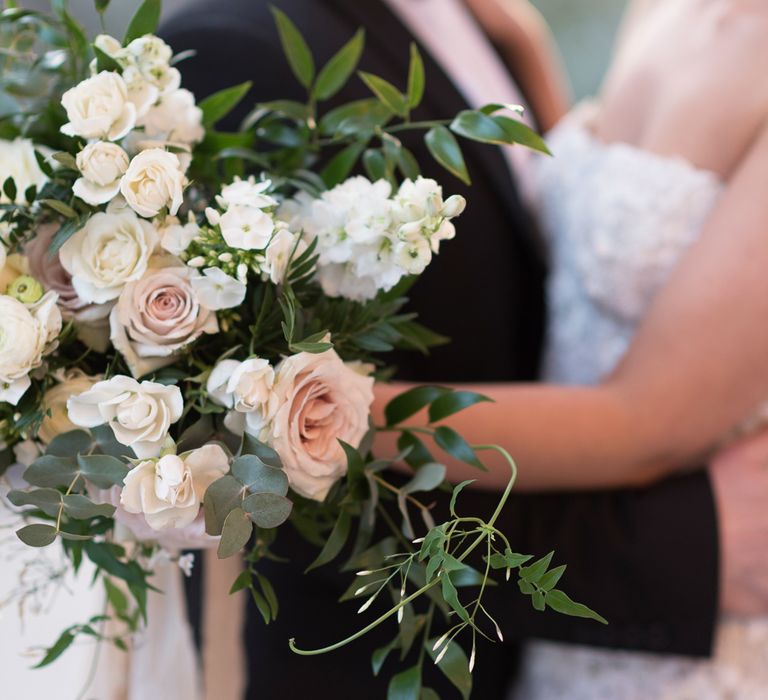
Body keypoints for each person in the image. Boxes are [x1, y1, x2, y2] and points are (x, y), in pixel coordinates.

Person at [160, 0, 768, 697]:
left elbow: (645, 418)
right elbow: (280, 494)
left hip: (685, 642)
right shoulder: (237, 44)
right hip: (457, 648)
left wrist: (297, 409)